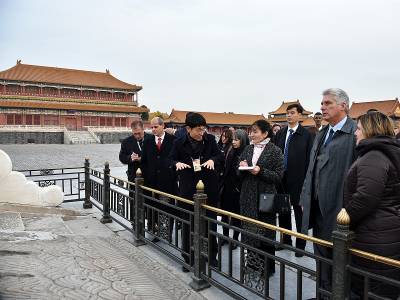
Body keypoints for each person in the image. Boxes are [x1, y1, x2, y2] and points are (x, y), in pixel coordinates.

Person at [300, 88, 357, 292]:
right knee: (321, 257)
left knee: (340, 261)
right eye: (322, 103)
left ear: (343, 106)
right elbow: (311, 169)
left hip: (340, 209)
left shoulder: (354, 133)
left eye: (327, 103)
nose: (322, 107)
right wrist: (305, 196)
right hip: (318, 207)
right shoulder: (323, 132)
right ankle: (322, 294)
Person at [344, 112, 400, 299]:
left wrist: (346, 217)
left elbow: (366, 197)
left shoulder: (374, 156)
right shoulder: (385, 152)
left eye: (358, 129)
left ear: (369, 130)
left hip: (375, 235)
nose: (355, 133)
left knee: (371, 289)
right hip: (385, 230)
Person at [169, 112, 223, 272]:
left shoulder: (210, 140)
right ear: (188, 129)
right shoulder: (179, 142)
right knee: (188, 224)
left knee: (210, 223)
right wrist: (176, 164)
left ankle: (212, 255)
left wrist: (213, 160)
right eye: (198, 130)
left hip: (208, 189)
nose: (201, 133)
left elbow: (220, 156)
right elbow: (169, 159)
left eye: (203, 129)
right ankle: (188, 257)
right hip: (188, 189)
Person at [239, 120, 284, 279]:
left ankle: (268, 267)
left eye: (255, 131)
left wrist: (261, 171)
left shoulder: (276, 151)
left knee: (266, 232)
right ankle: (251, 263)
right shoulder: (247, 148)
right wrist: (242, 166)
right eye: (251, 131)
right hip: (248, 196)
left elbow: (278, 176)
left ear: (265, 133)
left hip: (266, 196)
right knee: (250, 231)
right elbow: (238, 173)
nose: (251, 134)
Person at [275, 103, 313, 254]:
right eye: (287, 113)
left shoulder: (306, 135)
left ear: (300, 115)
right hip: (281, 178)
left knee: (299, 213)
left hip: (299, 179)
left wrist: (306, 181)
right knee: (283, 210)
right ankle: (286, 240)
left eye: (292, 113)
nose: (288, 115)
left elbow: (310, 160)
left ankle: (301, 245)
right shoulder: (281, 133)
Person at [141, 117, 177, 241]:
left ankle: (167, 232)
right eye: (151, 127)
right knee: (154, 208)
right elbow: (144, 162)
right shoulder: (148, 141)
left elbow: (176, 159)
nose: (153, 129)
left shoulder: (173, 140)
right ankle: (157, 231)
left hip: (168, 182)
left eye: (155, 127)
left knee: (167, 208)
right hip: (152, 182)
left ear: (163, 126)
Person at [219, 129, 249, 246]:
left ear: (242, 140)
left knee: (237, 216)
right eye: (233, 139)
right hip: (227, 186)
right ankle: (225, 237)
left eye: (237, 140)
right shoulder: (230, 150)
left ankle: (235, 239)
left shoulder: (246, 153)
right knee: (225, 214)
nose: (234, 142)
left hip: (238, 188)